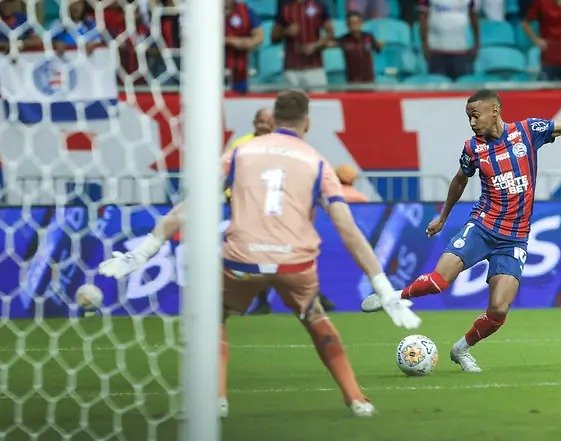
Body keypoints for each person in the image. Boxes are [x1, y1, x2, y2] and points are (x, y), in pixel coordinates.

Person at [101, 90, 421, 417]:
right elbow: (347, 228)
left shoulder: (239, 154)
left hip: (242, 261)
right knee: (315, 319)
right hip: (294, 263)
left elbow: (191, 205)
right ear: (306, 122)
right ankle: (357, 400)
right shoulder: (318, 163)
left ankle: (216, 400)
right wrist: (384, 288)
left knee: (213, 317)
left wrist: (141, 253)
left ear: (273, 120)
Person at [360, 90, 561, 373]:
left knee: (498, 310)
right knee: (438, 281)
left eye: (475, 115)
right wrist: (443, 217)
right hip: (482, 227)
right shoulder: (473, 148)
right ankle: (393, 297)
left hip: (514, 238)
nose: (471, 122)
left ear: (494, 111)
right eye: (468, 117)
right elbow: (460, 180)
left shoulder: (528, 131)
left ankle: (461, 349)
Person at [271, 0, 334, 87]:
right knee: (291, 100)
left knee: (319, 100)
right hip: (291, 70)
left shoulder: (319, 6)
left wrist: (315, 46)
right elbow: (273, 38)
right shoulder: (285, 8)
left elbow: (330, 34)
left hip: (314, 68)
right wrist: (286, 32)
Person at [418, 0, 481, 80]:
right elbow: (423, 19)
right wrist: (425, 45)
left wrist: (476, 44)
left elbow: (474, 18)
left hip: (462, 52)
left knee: (465, 89)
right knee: (438, 89)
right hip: (437, 52)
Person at [224, 0, 264, 93]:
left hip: (239, 70)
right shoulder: (206, 12)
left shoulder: (245, 11)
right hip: (212, 69)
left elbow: (259, 37)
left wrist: (242, 43)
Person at [334, 11, 382, 84]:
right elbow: (328, 45)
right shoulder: (343, 40)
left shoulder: (368, 37)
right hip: (352, 82)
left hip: (369, 80)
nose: (354, 25)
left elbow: (378, 50)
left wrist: (380, 45)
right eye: (351, 23)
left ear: (361, 23)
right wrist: (329, 34)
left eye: (357, 22)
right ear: (347, 25)